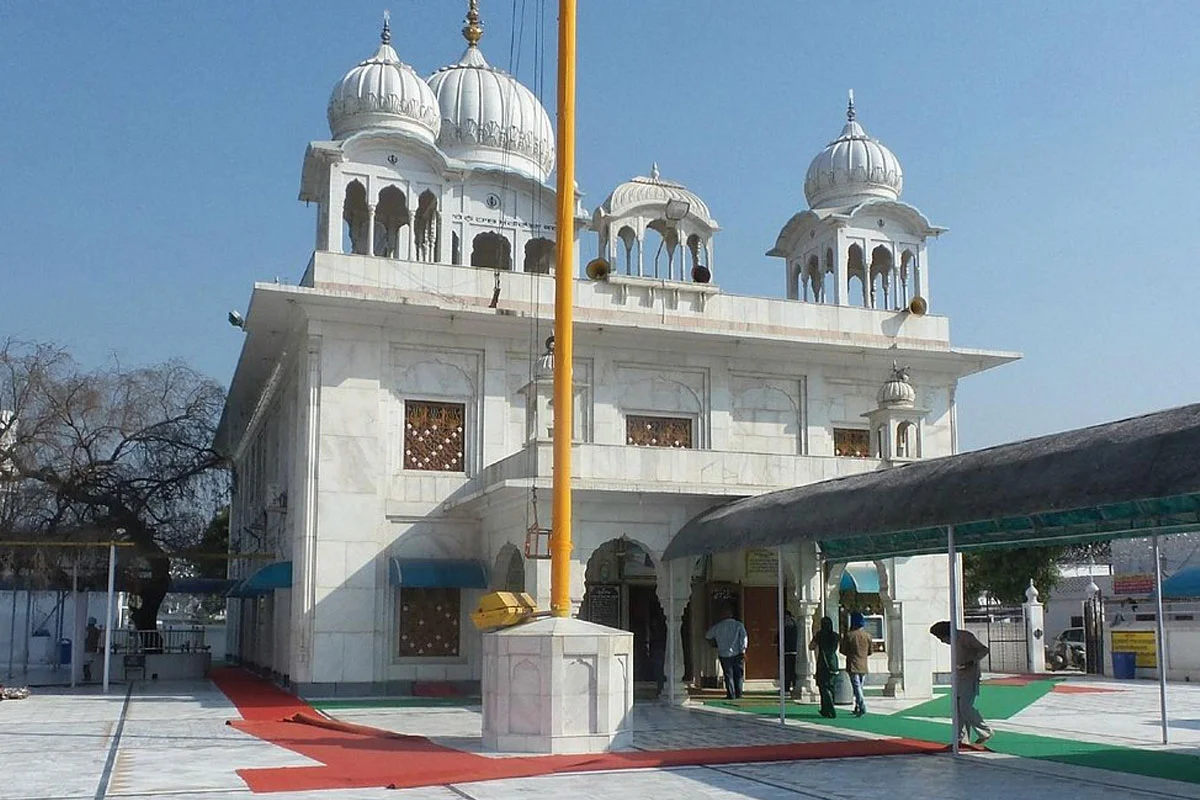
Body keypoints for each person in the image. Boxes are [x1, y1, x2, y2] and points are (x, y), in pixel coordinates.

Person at [930, 620, 994, 745]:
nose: (941, 641)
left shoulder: (965, 637)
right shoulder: (953, 641)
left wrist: (971, 662)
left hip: (970, 676)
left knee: (965, 706)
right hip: (958, 676)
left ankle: (985, 731)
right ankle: (962, 738)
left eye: (940, 637)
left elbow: (983, 650)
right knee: (957, 708)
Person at [706, 604, 748, 699]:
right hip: (737, 653)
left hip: (724, 653)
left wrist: (714, 644)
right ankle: (739, 693)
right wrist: (743, 650)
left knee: (728, 675)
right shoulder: (738, 625)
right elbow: (743, 639)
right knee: (738, 674)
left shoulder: (718, 626)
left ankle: (731, 694)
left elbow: (708, 636)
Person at [841, 611, 872, 717]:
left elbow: (843, 650)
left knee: (856, 687)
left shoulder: (849, 635)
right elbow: (870, 651)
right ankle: (857, 706)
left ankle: (862, 706)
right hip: (863, 664)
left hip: (852, 664)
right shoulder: (867, 636)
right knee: (860, 687)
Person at [809, 616, 840, 718]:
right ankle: (824, 709)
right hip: (834, 662)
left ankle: (829, 708)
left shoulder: (820, 635)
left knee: (823, 686)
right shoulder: (835, 636)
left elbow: (811, 646)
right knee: (831, 686)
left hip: (823, 662)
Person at [782, 610, 799, 695]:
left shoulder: (789, 625)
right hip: (788, 651)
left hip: (790, 651)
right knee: (788, 671)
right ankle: (788, 687)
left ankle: (788, 688)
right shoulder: (793, 625)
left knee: (789, 671)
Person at [83, 617, 100, 682]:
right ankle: (88, 676)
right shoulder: (96, 630)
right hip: (93, 648)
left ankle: (87, 676)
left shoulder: (87, 630)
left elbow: (84, 637)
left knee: (85, 663)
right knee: (90, 663)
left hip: (87, 648)